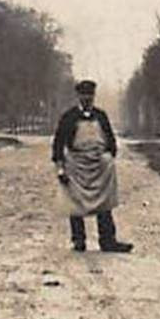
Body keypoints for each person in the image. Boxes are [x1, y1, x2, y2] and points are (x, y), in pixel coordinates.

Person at [52, 80, 133, 253]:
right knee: (75, 202)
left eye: (90, 95)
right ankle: (79, 240)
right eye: (84, 95)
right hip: (77, 164)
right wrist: (60, 167)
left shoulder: (101, 116)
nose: (87, 99)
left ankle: (108, 240)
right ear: (78, 96)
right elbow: (58, 144)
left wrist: (109, 156)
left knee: (105, 202)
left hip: (99, 165)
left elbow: (111, 140)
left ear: (93, 97)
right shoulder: (69, 117)